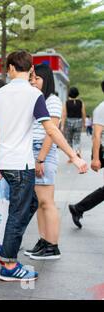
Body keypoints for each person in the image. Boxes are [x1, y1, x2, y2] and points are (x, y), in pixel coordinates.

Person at [0, 50, 87, 282]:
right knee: (19, 211)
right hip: (21, 164)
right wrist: (73, 156)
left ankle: (5, 250)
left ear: (11, 68)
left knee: (30, 202)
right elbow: (51, 129)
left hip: (5, 161)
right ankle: (9, 266)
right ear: (30, 69)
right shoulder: (34, 95)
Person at [24, 64, 63, 260]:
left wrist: (40, 159)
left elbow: (51, 133)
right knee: (40, 202)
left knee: (47, 202)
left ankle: (52, 245)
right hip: (35, 152)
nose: (33, 81)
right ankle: (44, 240)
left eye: (36, 78)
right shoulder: (39, 99)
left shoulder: (53, 100)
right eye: (31, 78)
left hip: (43, 152)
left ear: (46, 80)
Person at [69, 80, 104, 228]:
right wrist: (95, 158)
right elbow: (96, 135)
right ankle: (78, 208)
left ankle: (78, 208)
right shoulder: (101, 109)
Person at [61, 87, 86, 158]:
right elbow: (83, 113)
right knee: (77, 138)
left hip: (69, 122)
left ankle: (71, 155)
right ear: (77, 94)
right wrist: (84, 123)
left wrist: (62, 125)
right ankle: (77, 151)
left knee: (69, 139)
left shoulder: (66, 103)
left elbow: (64, 114)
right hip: (78, 122)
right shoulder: (81, 102)